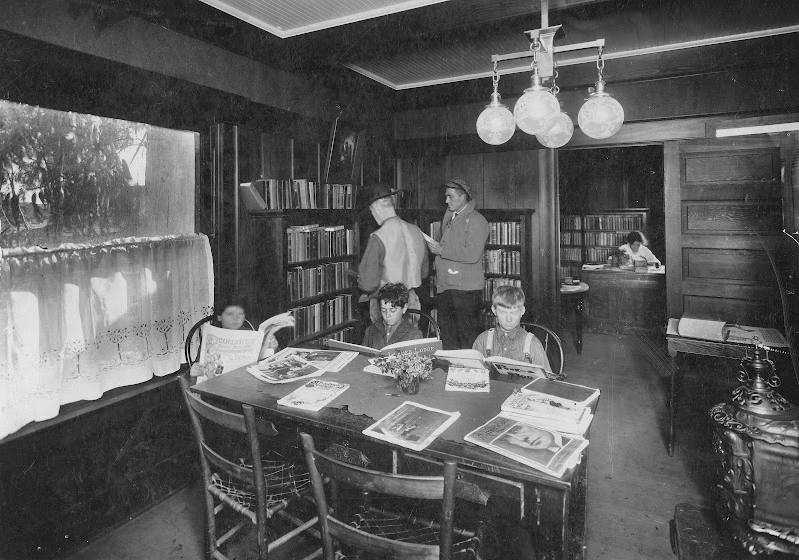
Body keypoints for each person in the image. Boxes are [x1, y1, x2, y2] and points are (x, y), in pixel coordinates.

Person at [426, 178, 489, 350]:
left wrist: (440, 250)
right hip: (447, 287)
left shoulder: (477, 221)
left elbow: (472, 254)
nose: (446, 200)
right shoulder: (452, 217)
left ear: (463, 197)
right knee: (448, 339)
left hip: (465, 292)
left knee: (467, 340)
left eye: (450, 197)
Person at [357, 183, 429, 323]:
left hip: (387, 308)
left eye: (371, 209)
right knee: (411, 343)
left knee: (387, 344)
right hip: (412, 303)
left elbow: (368, 284)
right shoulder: (416, 231)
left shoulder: (378, 237)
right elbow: (424, 272)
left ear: (376, 206)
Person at [472, 285, 552, 372]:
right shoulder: (483, 340)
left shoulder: (532, 344)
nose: (509, 319)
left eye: (514, 313)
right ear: (494, 310)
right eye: (503, 312)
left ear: (522, 311)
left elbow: (546, 381)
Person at [361, 283, 423, 350]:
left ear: (404, 308)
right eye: (383, 310)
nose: (387, 315)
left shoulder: (415, 334)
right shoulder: (371, 330)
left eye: (392, 311)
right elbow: (362, 356)